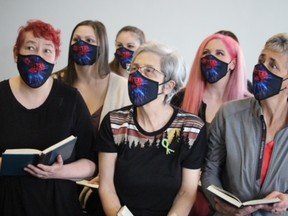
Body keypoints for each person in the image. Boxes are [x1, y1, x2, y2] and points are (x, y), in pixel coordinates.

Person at [98, 41, 207, 216]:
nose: (136, 76)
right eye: (134, 68)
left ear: (168, 86)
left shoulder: (191, 129)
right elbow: (106, 187)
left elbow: (187, 192)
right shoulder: (115, 122)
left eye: (148, 70)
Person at [0, 20, 96, 216]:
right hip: (7, 201)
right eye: (30, 48)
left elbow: (91, 163)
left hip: (59, 204)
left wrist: (59, 172)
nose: (38, 56)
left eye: (46, 51)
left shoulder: (71, 99)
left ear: (55, 57)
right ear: (15, 53)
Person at [202, 32, 288, 215]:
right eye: (261, 59)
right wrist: (219, 204)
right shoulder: (228, 114)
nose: (261, 68)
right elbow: (210, 170)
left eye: (273, 65)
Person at [53, 20, 131, 216]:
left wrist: (106, 176)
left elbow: (129, 139)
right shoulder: (54, 83)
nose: (81, 45)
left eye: (89, 40)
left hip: (106, 184)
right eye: (76, 40)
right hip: (58, 179)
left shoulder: (122, 86)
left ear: (102, 46)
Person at [171, 32, 252, 215]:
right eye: (206, 52)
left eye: (219, 53)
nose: (211, 58)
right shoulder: (181, 99)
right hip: (184, 192)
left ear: (233, 63)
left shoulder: (249, 105)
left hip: (229, 196)